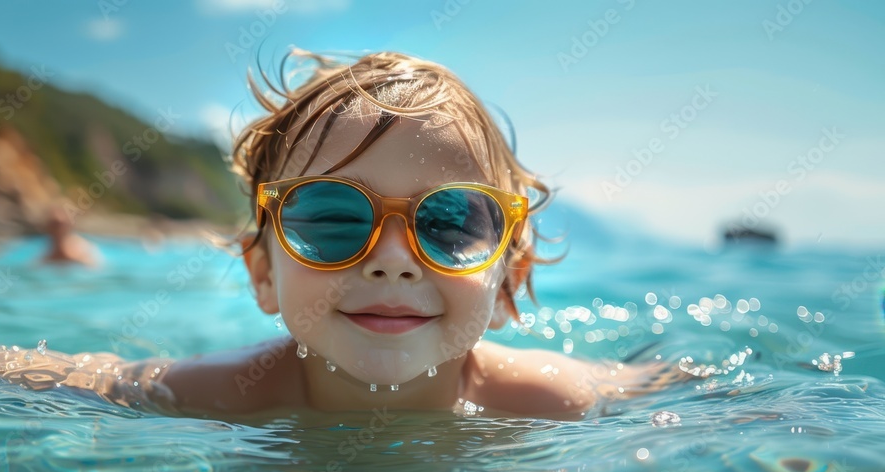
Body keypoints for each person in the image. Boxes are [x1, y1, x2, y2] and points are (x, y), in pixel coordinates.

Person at [148, 49, 685, 420]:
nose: (392, 260)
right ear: (263, 274)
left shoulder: (555, 401)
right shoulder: (216, 394)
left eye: (449, 225)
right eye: (334, 218)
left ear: (506, 284)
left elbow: (717, 400)